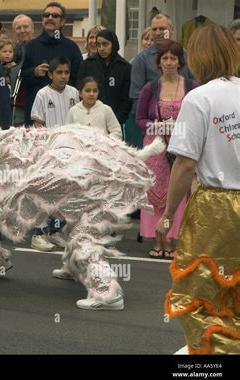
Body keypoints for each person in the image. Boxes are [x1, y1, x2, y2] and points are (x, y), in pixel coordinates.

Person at [156, 26, 240, 354]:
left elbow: (185, 164)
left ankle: (212, 359)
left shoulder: (199, 98)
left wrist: (167, 213)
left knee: (204, 290)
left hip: (217, 206)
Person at [136, 40, 198, 258]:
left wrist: (181, 127)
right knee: (154, 191)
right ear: (159, 62)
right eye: (165, 58)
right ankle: (156, 237)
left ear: (180, 61)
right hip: (155, 146)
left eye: (173, 58)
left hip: (181, 145)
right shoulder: (150, 88)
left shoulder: (192, 86)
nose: (169, 62)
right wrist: (157, 125)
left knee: (178, 190)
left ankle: (172, 237)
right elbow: (140, 119)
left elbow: (199, 117)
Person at [30, 56, 78, 252]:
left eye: (66, 72)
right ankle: (38, 234)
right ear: (50, 74)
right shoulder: (42, 94)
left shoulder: (74, 92)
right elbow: (37, 124)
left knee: (65, 194)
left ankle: (55, 230)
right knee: (45, 193)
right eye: (59, 72)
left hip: (70, 151)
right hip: (49, 152)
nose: (64, 76)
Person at [126, 13, 190, 150]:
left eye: (162, 28)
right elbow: (136, 97)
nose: (158, 33)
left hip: (183, 131)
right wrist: (156, 124)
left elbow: (194, 90)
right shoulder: (141, 60)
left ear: (172, 29)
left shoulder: (185, 56)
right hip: (153, 133)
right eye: (154, 29)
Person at [22, 2, 82, 126]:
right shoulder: (30, 46)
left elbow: (79, 78)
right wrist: (33, 72)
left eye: (55, 15)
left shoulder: (71, 47)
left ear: (63, 21)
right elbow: (19, 77)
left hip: (65, 112)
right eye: (46, 15)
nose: (50, 18)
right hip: (37, 113)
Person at [76, 29, 132, 127]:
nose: (101, 48)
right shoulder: (87, 64)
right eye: (98, 45)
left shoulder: (124, 67)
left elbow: (126, 99)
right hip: (89, 122)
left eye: (105, 44)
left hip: (115, 121)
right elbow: (80, 91)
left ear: (113, 44)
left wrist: (115, 122)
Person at [11, 14, 35, 126]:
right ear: (14, 32)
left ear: (32, 29)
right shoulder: (9, 52)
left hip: (38, 105)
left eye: (25, 27)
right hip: (17, 107)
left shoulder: (40, 48)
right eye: (18, 28)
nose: (22, 30)